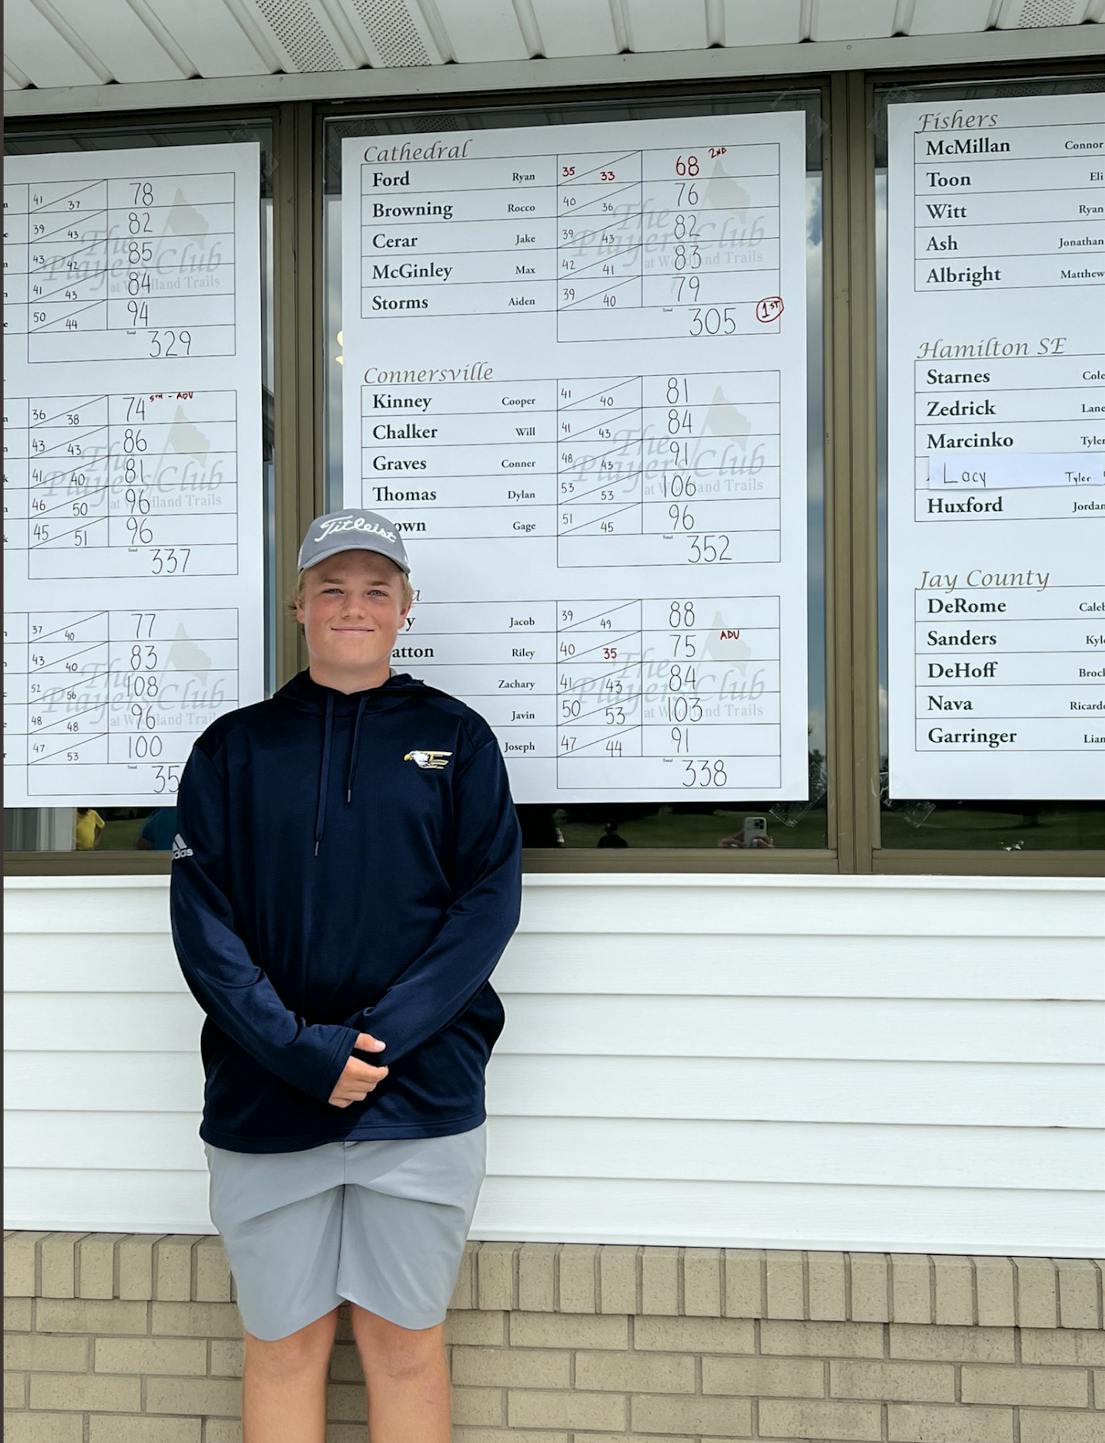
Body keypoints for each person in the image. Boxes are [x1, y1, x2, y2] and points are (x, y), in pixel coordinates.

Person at [169, 507, 522, 1443]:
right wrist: (297, 1052)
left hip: (420, 1098)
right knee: (283, 1345)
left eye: (375, 589)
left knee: (404, 1344)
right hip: (265, 1102)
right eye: (331, 587)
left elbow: (484, 907)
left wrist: (373, 1043)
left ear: (405, 607)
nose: (352, 605)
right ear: (299, 604)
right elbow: (204, 925)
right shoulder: (233, 749)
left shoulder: (457, 738)